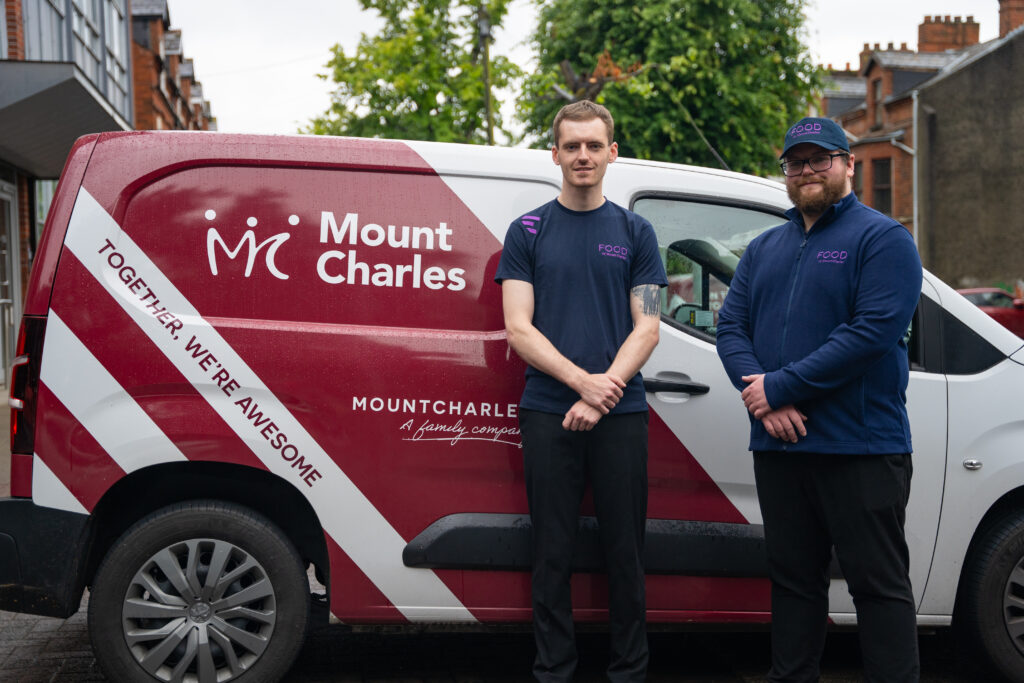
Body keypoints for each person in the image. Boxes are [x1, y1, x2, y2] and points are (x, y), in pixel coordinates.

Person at [716, 116, 922, 682]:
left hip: (860, 446)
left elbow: (870, 333)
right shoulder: (764, 249)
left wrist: (779, 387)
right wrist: (763, 396)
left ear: (847, 164)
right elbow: (730, 327)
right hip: (781, 447)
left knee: (878, 589)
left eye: (820, 158)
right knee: (793, 586)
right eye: (795, 161)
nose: (806, 170)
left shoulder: (884, 239)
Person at [495, 100, 667, 682]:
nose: (583, 156)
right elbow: (518, 326)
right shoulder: (529, 231)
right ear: (556, 153)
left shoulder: (636, 231)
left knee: (626, 553)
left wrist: (603, 393)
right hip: (548, 410)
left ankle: (629, 672)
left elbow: (649, 325)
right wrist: (580, 384)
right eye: (572, 146)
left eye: (594, 145)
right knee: (552, 553)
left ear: (612, 152)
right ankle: (554, 671)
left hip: (621, 414)